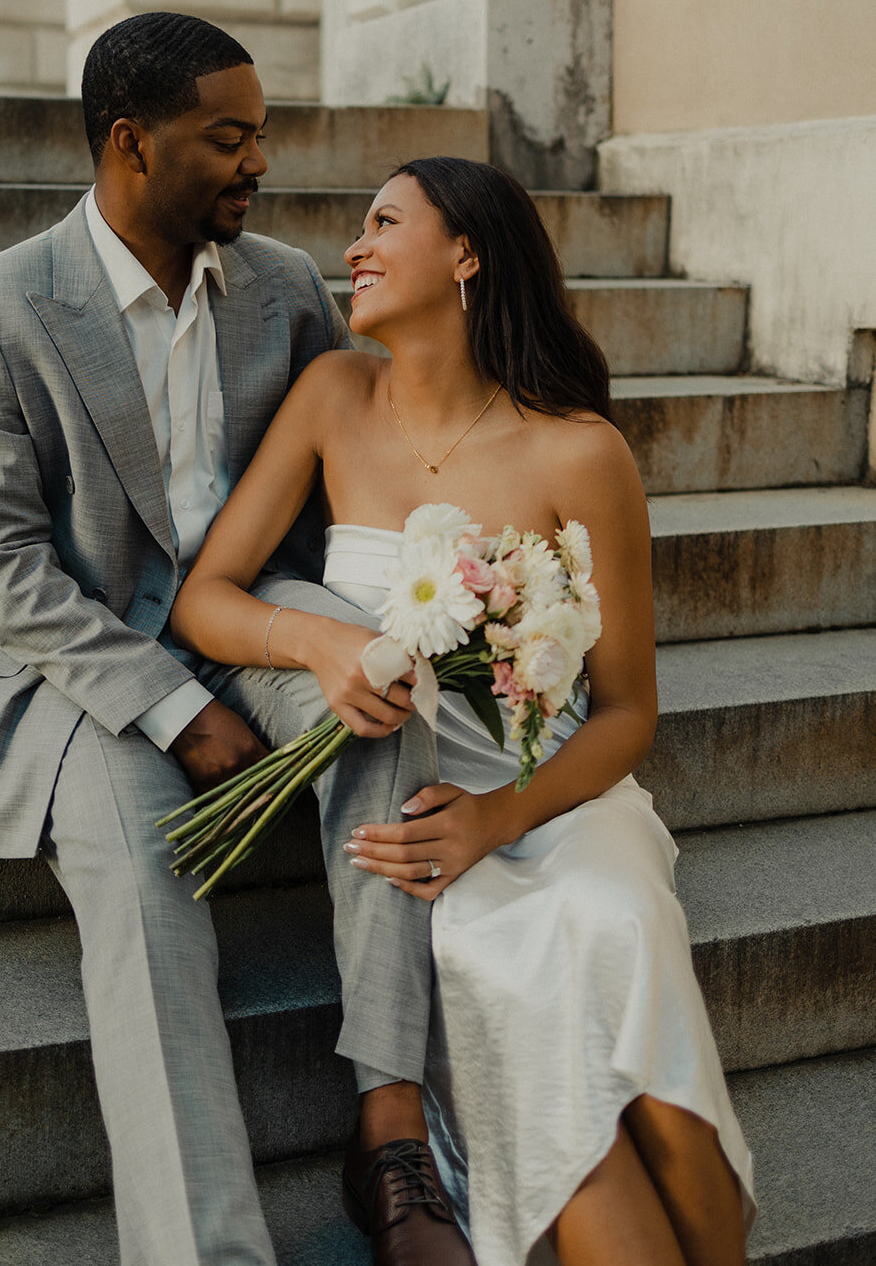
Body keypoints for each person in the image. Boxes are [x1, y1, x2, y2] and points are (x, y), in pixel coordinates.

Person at [0, 15, 476, 1266]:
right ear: (131, 143)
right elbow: (1, 567)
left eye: (261, 136)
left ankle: (388, 1133)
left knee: (393, 690)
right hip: (77, 668)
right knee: (140, 874)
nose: (258, 164)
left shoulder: (281, 286)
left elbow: (357, 470)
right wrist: (171, 709)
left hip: (242, 613)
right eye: (227, 139)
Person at [171, 156, 758, 1266]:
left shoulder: (579, 452)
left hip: (556, 799)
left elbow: (627, 711)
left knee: (615, 929)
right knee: (528, 1011)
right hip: (415, 807)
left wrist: (502, 818)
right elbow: (204, 596)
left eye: (383, 220)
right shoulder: (332, 397)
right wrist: (319, 639)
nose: (352, 246)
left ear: (466, 253)